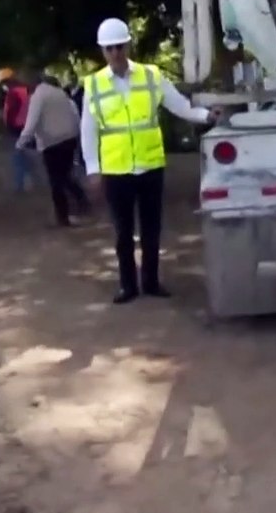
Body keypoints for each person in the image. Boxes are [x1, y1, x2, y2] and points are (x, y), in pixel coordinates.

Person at [80, 17, 222, 304]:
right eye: (110, 49)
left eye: (120, 46)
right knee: (122, 233)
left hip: (149, 166)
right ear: (103, 52)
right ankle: (127, 286)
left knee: (151, 229)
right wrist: (93, 169)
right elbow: (88, 130)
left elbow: (178, 105)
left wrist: (206, 116)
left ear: (128, 45)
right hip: (116, 169)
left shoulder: (150, 76)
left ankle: (151, 281)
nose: (116, 53)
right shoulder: (93, 85)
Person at [17, 71, 90, 227]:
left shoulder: (38, 96)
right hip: (69, 139)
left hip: (52, 143)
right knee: (65, 174)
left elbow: (31, 122)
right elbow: (74, 114)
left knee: (56, 181)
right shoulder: (59, 93)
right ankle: (81, 199)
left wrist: (21, 143)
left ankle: (63, 216)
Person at [0, 67, 39, 192]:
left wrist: (6, 126)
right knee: (26, 155)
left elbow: (10, 112)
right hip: (28, 126)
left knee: (18, 157)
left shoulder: (13, 93)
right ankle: (36, 180)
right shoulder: (26, 89)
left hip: (16, 128)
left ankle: (19, 185)